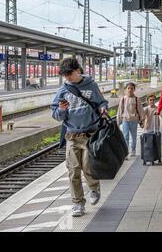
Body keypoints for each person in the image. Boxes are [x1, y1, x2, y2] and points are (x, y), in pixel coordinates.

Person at [51, 58, 108, 217]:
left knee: (87, 166)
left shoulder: (91, 85)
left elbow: (102, 102)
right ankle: (78, 203)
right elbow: (55, 114)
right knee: (73, 170)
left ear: (78, 70)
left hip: (91, 134)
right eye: (65, 75)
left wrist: (103, 109)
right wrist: (62, 111)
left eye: (69, 74)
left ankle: (94, 187)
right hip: (72, 135)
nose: (67, 77)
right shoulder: (63, 90)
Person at [117, 82, 144, 158]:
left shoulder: (136, 99)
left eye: (131, 88)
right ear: (126, 89)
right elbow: (120, 110)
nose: (130, 90)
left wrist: (142, 120)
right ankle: (126, 152)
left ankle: (133, 149)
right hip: (125, 120)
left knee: (134, 136)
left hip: (134, 120)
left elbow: (140, 110)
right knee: (126, 136)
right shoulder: (123, 99)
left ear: (134, 89)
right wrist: (118, 121)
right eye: (128, 88)